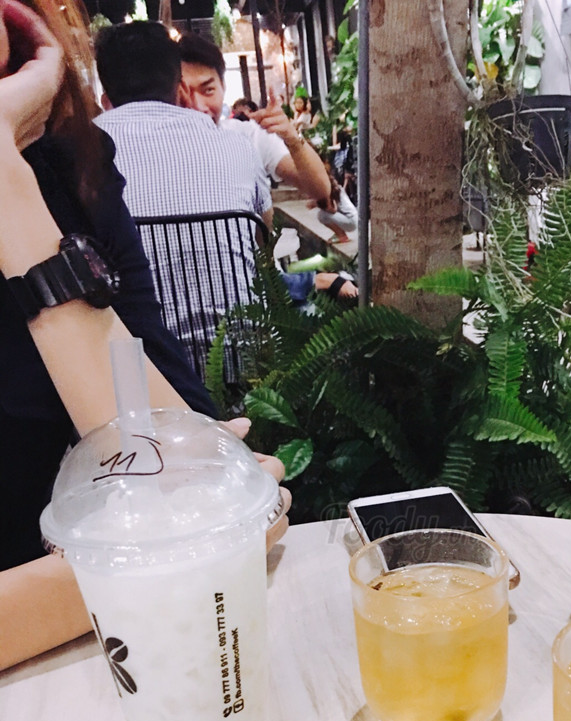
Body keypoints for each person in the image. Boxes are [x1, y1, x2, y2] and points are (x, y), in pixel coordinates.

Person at [0, 0, 289, 669]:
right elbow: (215, 531)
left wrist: (11, 190)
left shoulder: (64, 159)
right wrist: (185, 551)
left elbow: (156, 376)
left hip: (113, 641)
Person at [93, 21, 273, 371]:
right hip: (240, 366)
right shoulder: (236, 146)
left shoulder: (80, 156)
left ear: (106, 99)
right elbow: (263, 236)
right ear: (180, 90)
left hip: (136, 375)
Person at [178, 34, 329, 203]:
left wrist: (292, 138)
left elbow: (320, 190)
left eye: (208, 90)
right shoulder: (158, 150)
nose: (198, 106)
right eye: (184, 93)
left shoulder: (247, 136)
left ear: (223, 87)